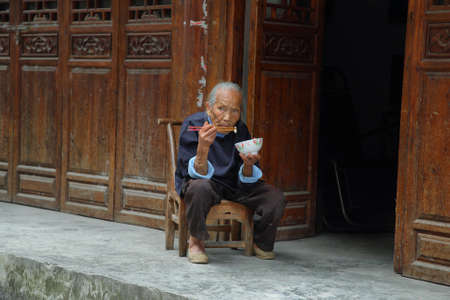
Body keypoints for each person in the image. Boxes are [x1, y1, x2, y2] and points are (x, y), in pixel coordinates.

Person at [175, 82, 286, 264]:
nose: (227, 117)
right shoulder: (193, 124)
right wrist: (203, 147)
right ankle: (196, 240)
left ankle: (261, 241)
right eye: (221, 108)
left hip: (233, 184)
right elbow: (191, 174)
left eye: (234, 111)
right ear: (209, 107)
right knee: (199, 188)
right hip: (203, 182)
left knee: (275, 197)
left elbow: (245, 176)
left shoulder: (239, 128)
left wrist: (249, 165)